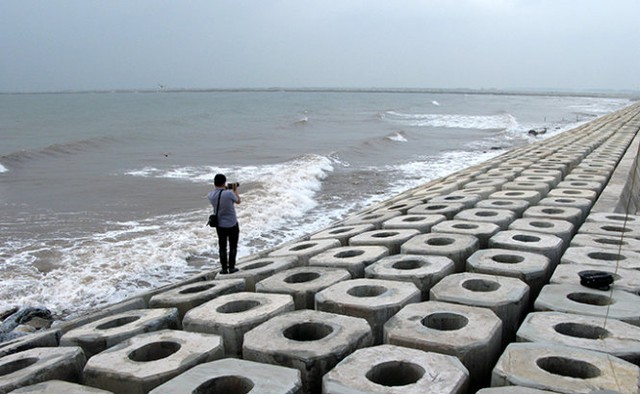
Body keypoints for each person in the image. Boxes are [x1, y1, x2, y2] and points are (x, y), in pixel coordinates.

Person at [207, 173, 241, 274]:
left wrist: (224, 188)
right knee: (233, 246)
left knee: (222, 246)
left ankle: (224, 269)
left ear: (214, 183)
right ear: (224, 182)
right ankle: (231, 267)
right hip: (232, 223)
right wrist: (235, 190)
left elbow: (220, 197)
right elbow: (238, 201)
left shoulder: (210, 195)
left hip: (220, 225)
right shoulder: (229, 193)